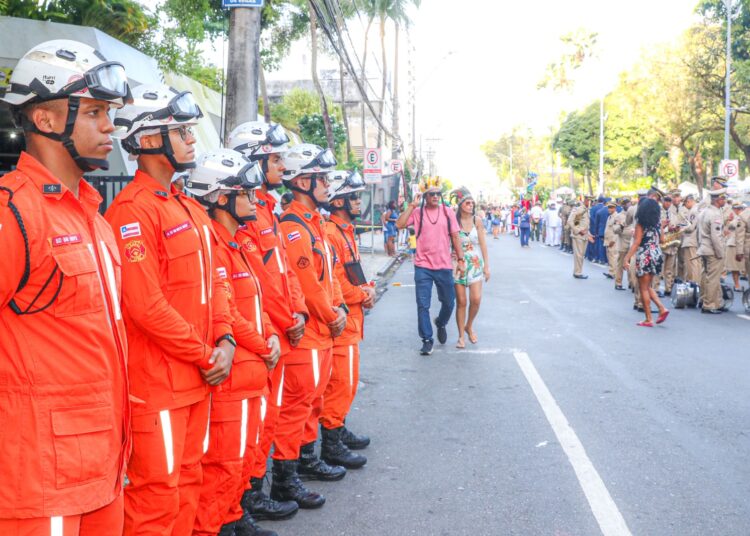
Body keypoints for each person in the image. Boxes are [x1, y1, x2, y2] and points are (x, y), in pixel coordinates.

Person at [0, 39, 132, 534]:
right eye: (95, 111)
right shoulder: (15, 211)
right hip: (41, 481)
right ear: (46, 120)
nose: (109, 126)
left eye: (110, 112)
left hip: (104, 466)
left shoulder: (94, 217)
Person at [105, 83, 237, 535]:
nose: (191, 140)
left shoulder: (188, 208)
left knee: (189, 485)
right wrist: (207, 355)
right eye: (181, 132)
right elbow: (145, 306)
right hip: (160, 387)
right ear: (147, 141)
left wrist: (225, 337)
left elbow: (216, 280)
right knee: (155, 499)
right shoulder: (131, 212)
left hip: (199, 379)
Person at [186, 150, 280, 536]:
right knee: (221, 468)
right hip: (232, 380)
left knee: (239, 463)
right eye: (246, 194)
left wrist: (272, 333)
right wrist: (264, 343)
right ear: (221, 197)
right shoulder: (212, 246)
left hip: (250, 374)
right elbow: (226, 313)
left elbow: (261, 299)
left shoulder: (237, 242)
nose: (254, 202)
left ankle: (233, 519)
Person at [227, 121, 310, 518]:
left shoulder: (264, 210)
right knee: (251, 424)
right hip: (260, 334)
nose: (281, 166)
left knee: (268, 418)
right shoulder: (244, 213)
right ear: (255, 159)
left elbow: (285, 273)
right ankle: (244, 500)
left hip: (277, 330)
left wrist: (298, 311)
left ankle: (253, 493)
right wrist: (283, 317)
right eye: (274, 158)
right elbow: (257, 282)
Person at [276, 144, 348, 502]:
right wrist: (332, 314)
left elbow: (329, 277)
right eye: (321, 179)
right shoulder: (292, 227)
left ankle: (305, 461)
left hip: (323, 332)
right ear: (303, 181)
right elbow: (307, 285)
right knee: (295, 408)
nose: (327, 186)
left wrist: (338, 308)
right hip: (308, 336)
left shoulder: (314, 223)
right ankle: (286, 477)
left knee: (313, 402)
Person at [321, 169, 376, 470]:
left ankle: (337, 429)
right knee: (341, 384)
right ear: (339, 201)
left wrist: (364, 290)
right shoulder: (332, 233)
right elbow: (336, 282)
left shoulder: (343, 231)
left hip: (352, 319)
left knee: (347, 383)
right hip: (343, 320)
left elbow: (349, 274)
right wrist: (361, 294)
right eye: (353, 197)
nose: (358, 202)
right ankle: (331, 443)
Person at [395, 177, 465, 356]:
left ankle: (441, 322)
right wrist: (411, 205)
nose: (435, 196)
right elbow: (400, 224)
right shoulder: (418, 213)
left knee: (449, 302)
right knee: (422, 304)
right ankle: (427, 339)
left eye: (438, 194)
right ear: (425, 196)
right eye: (431, 194)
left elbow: (456, 237)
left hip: (444, 266)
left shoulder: (447, 212)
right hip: (422, 266)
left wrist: (462, 260)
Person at [451, 187, 490, 349]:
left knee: (476, 300)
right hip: (457, 264)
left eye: (472, 203)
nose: (471, 205)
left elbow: (482, 244)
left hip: (475, 262)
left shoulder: (477, 221)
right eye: (467, 203)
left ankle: (469, 325)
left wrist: (487, 266)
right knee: (461, 301)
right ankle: (461, 336)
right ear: (460, 205)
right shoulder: (453, 221)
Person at [624, 189, 669, 327]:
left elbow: (637, 242)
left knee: (643, 288)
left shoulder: (640, 224)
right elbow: (662, 240)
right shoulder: (657, 224)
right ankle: (661, 308)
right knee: (647, 286)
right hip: (656, 253)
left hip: (645, 254)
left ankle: (649, 318)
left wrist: (627, 258)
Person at [697, 189, 728, 314]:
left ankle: (709, 300)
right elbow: (716, 237)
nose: (724, 201)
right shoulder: (715, 214)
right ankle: (709, 304)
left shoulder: (704, 212)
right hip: (712, 250)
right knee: (713, 278)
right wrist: (720, 253)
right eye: (723, 199)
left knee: (706, 276)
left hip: (704, 248)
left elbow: (699, 233)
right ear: (717, 200)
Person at [678, 194, 701, 284]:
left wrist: (682, 229)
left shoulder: (693, 211)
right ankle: (697, 284)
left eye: (685, 204)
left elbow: (691, 227)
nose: (685, 206)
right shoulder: (698, 209)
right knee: (697, 264)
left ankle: (693, 284)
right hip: (696, 241)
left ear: (689, 201)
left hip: (690, 240)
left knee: (691, 265)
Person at [569, 197, 593, 279]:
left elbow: (584, 224)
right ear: (586, 201)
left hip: (584, 236)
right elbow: (572, 221)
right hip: (578, 236)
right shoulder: (580, 209)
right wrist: (578, 231)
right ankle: (578, 273)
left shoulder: (586, 210)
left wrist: (589, 234)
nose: (591, 202)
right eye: (590, 201)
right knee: (579, 255)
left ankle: (578, 271)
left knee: (581, 255)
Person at [725, 200, 746, 292]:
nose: (738, 210)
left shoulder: (742, 217)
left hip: (744, 244)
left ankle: (738, 284)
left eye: (740, 208)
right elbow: (727, 230)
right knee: (734, 267)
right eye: (737, 208)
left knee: (744, 266)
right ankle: (737, 285)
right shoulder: (733, 218)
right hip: (733, 244)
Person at [612, 197, 632, 290]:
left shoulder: (634, 214)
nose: (627, 205)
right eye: (625, 203)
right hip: (622, 243)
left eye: (628, 203)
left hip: (632, 243)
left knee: (631, 264)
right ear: (622, 205)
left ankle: (631, 282)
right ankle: (618, 282)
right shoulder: (618, 216)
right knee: (620, 264)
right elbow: (615, 230)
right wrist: (621, 225)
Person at [603, 201, 618, 279]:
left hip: (613, 240)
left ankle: (614, 273)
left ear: (615, 208)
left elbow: (617, 230)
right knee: (609, 256)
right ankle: (611, 271)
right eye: (608, 207)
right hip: (608, 240)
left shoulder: (616, 217)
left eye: (611, 207)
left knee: (613, 256)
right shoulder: (610, 216)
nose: (609, 209)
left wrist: (613, 240)